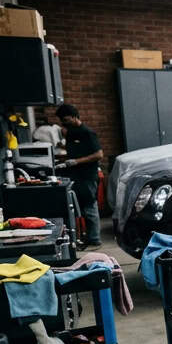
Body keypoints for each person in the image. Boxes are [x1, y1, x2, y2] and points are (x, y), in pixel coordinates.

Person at [55, 104, 103, 246]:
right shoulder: (70, 133)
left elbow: (99, 154)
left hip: (88, 175)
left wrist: (76, 161)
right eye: (62, 121)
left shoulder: (87, 133)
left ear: (75, 117)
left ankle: (94, 238)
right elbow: (75, 150)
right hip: (75, 175)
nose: (64, 123)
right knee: (79, 206)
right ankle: (85, 236)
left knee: (89, 206)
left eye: (66, 120)